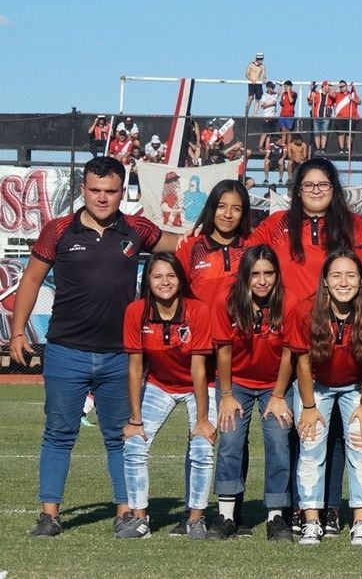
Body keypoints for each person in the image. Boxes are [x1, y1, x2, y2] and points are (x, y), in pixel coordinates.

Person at [15, 157, 176, 538]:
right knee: (58, 433)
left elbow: (181, 248)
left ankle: (125, 512)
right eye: (95, 190)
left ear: (123, 192)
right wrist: (19, 331)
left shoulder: (137, 229)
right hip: (65, 351)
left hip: (121, 354)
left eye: (111, 191)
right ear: (83, 190)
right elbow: (32, 279)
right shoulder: (58, 230)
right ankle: (49, 514)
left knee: (120, 435)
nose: (102, 198)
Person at [287, 251, 362, 546]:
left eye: (351, 275)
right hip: (315, 387)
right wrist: (308, 407)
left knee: (361, 447)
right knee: (311, 448)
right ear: (325, 282)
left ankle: (360, 523)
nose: (344, 282)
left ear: (361, 280)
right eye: (337, 275)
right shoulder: (306, 310)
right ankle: (312, 522)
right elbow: (302, 362)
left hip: (357, 387)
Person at [117, 253, 216, 540]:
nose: (165, 282)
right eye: (157, 276)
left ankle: (195, 518)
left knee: (201, 445)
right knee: (134, 443)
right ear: (147, 280)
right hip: (159, 384)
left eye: (171, 275)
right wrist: (135, 419)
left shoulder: (197, 310)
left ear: (180, 279)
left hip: (200, 385)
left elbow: (199, 368)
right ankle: (139, 518)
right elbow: (136, 367)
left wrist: (200, 420)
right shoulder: (136, 311)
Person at [210, 246, 295, 542]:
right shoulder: (228, 300)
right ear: (244, 276)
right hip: (237, 384)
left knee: (278, 440)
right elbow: (223, 349)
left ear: (277, 275)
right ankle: (227, 516)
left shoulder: (289, 302)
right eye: (255, 274)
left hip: (276, 386)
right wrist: (227, 394)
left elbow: (289, 353)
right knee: (230, 440)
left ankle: (276, 516)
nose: (262, 280)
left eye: (268, 273)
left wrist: (279, 394)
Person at [248, 158, 362, 302]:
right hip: (288, 321)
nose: (316, 191)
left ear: (334, 189)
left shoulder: (358, 225)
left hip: (342, 322)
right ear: (298, 191)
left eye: (323, 185)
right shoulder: (277, 223)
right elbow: (241, 258)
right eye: (308, 185)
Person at [177, 180, 252, 308]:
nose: (228, 214)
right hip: (200, 328)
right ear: (212, 208)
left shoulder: (252, 248)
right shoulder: (190, 247)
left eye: (236, 209)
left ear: (243, 213)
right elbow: (177, 294)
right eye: (221, 206)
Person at [333, 81, 361, 154]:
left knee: (349, 134)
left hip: (351, 118)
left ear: (346, 86)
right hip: (340, 118)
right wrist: (337, 85)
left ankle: (348, 148)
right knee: (341, 133)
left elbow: (359, 102)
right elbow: (330, 93)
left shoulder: (352, 94)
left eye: (343, 86)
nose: (342, 88)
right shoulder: (337, 94)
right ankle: (341, 149)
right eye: (340, 87)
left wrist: (352, 99)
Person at [308, 81, 333, 152]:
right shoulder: (316, 94)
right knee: (317, 133)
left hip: (326, 117)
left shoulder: (330, 95)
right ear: (324, 86)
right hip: (316, 116)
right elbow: (309, 101)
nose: (329, 87)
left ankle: (323, 149)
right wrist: (311, 89)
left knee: (324, 133)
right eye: (328, 86)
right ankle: (318, 148)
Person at [245, 53, 266, 117]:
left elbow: (264, 75)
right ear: (257, 59)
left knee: (258, 98)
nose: (261, 61)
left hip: (258, 84)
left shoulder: (262, 66)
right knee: (250, 97)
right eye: (260, 59)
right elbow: (247, 74)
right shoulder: (251, 65)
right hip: (252, 83)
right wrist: (251, 79)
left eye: (262, 59)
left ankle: (255, 113)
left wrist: (264, 79)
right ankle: (246, 112)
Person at [278, 80, 298, 146]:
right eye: (284, 87)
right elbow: (282, 103)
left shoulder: (294, 94)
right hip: (282, 115)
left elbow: (291, 101)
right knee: (283, 130)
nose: (285, 88)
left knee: (288, 131)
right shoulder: (283, 94)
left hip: (289, 115)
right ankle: (283, 143)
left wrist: (289, 92)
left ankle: (289, 144)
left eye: (286, 87)